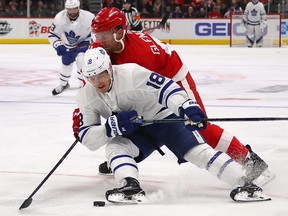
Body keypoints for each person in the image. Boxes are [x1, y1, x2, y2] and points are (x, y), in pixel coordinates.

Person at [72, 7, 273, 186]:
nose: (99, 39)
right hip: (150, 81)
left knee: (197, 124)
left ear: (119, 31)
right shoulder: (99, 49)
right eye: (97, 34)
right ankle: (120, 158)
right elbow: (94, 89)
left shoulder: (140, 55)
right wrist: (81, 114)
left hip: (172, 78)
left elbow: (147, 92)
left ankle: (249, 159)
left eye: (104, 34)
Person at [77, 47, 269, 203]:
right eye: (91, 77)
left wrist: (185, 105)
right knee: (115, 146)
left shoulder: (131, 73)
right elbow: (88, 139)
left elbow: (166, 88)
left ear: (109, 68)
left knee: (197, 152)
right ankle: (130, 185)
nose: (96, 82)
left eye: (100, 75)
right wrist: (108, 129)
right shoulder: (86, 95)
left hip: (164, 118)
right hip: (139, 132)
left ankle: (245, 183)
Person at [48, 0, 94, 95]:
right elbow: (53, 34)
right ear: (66, 9)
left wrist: (93, 42)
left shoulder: (89, 17)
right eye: (69, 9)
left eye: (74, 9)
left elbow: (96, 31)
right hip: (68, 45)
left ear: (78, 8)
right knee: (65, 64)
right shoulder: (59, 18)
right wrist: (58, 45)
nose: (72, 12)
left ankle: (84, 86)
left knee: (82, 60)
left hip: (84, 43)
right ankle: (64, 84)